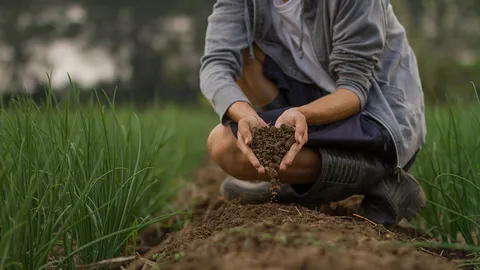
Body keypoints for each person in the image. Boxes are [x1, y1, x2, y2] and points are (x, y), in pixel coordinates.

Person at [201, 0, 426, 227]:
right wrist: (245, 114)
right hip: (310, 98)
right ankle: (296, 177)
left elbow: (354, 89)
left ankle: (382, 174)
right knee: (244, 60)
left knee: (224, 145)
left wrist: (302, 114)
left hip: (375, 114)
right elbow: (216, 63)